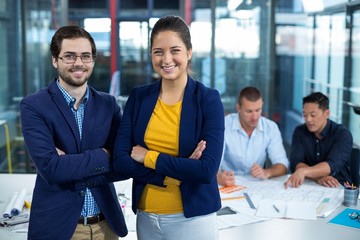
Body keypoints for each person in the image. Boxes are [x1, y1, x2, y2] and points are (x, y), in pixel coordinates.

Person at [113, 15, 224, 240]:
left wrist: (148, 157)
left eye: (175, 50)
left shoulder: (207, 99)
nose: (166, 59)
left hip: (193, 220)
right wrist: (174, 174)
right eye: (158, 51)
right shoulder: (139, 97)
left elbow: (205, 171)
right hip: (146, 217)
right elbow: (121, 160)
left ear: (189, 52)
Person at [20, 26, 128, 240]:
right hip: (60, 229)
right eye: (69, 56)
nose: (78, 63)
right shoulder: (34, 106)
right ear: (55, 60)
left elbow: (124, 165)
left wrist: (68, 164)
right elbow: (51, 169)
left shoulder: (108, 105)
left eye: (85, 56)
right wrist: (105, 154)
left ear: (93, 60)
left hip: (105, 227)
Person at [217, 86, 289, 187]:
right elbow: (213, 165)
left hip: (256, 186)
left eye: (258, 110)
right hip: (227, 185)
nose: (255, 117)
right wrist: (219, 177)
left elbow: (282, 165)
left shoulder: (270, 127)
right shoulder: (223, 125)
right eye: (249, 111)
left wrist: (267, 172)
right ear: (238, 108)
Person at [284, 92, 353, 188]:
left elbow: (331, 165)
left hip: (339, 186)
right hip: (310, 185)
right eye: (305, 115)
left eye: (313, 115)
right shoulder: (300, 131)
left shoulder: (342, 134)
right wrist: (318, 178)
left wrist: (304, 171)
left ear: (327, 113)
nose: (308, 120)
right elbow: (296, 163)